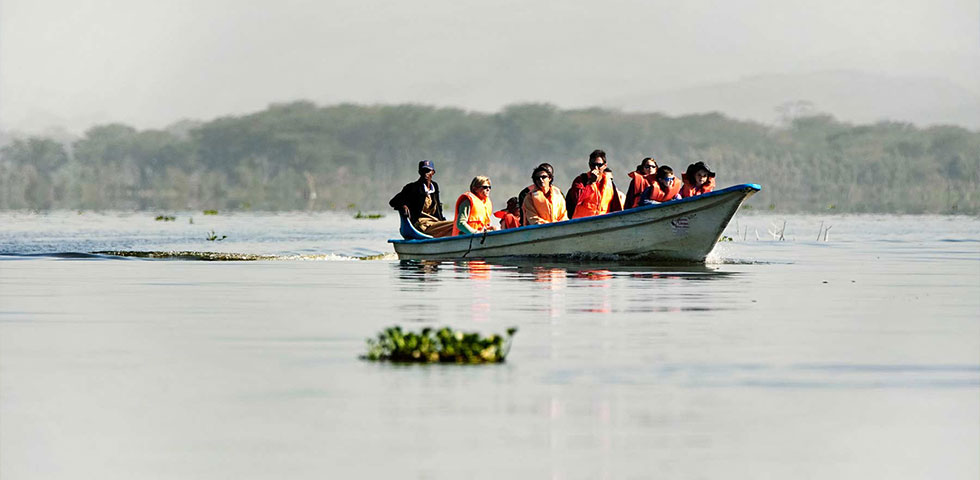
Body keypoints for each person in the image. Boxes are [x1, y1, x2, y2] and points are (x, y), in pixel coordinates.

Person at [388, 160, 453, 237]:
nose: (425, 173)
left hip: (435, 223)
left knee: (455, 226)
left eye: (428, 171)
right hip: (421, 225)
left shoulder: (434, 186)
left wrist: (442, 220)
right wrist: (403, 205)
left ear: (433, 172)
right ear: (419, 172)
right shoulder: (412, 187)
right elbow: (393, 201)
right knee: (456, 224)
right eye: (423, 171)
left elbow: (438, 207)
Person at [566, 149, 623, 218]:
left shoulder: (609, 183)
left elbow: (616, 207)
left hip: (603, 223)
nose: (596, 168)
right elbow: (577, 199)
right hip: (582, 224)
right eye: (593, 165)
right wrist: (590, 182)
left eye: (599, 165)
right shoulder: (581, 180)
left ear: (605, 166)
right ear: (589, 165)